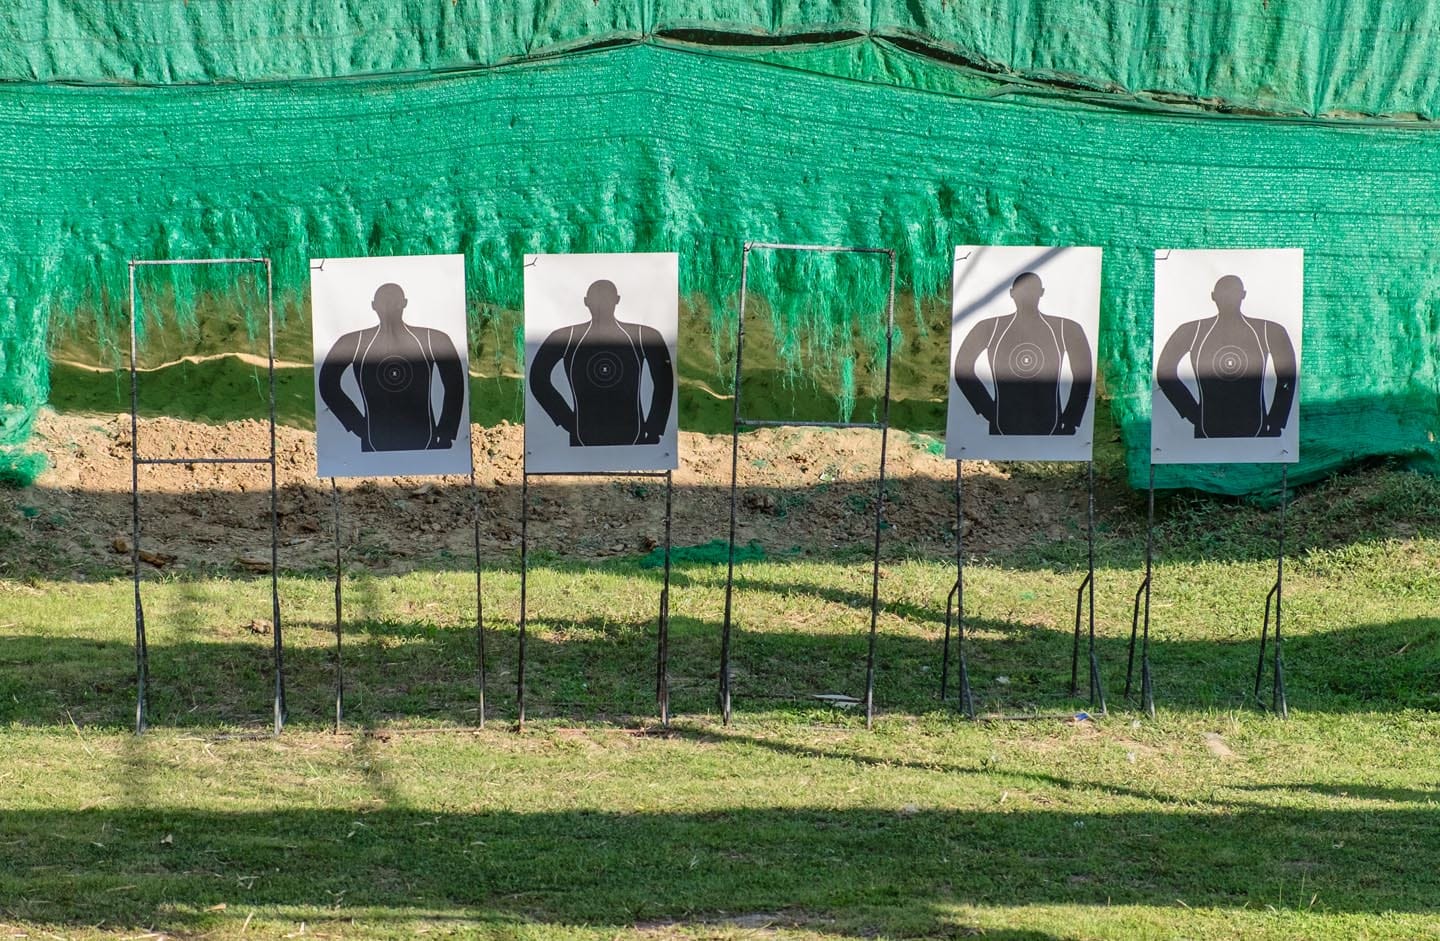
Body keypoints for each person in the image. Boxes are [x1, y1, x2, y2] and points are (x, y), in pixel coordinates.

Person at [317, 282, 466, 452]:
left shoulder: (434, 339)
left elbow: (455, 385)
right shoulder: (354, 342)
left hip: (401, 437)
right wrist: (356, 425)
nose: (389, 307)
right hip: (383, 439)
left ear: (404, 303)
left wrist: (448, 430)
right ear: (373, 306)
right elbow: (327, 384)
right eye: (384, 302)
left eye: (392, 302)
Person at [529, 279, 674, 447]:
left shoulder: (643, 335)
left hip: (592, 432)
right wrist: (566, 419)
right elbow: (538, 379)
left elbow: (664, 381)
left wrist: (567, 421)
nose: (601, 305)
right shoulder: (643, 334)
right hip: (612, 432)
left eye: (605, 299)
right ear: (617, 299)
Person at [953, 271, 1093, 436]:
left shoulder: (1065, 328)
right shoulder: (990, 327)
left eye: (1031, 290)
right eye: (1023, 290)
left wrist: (1072, 417)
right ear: (1012, 293)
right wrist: (987, 409)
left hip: (1047, 423)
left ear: (1041, 292)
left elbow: (1083, 373)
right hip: (1004, 424)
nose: (1027, 295)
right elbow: (962, 367)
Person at [1156, 274, 1296, 438]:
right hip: (1214, 428)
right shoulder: (1193, 331)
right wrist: (1191, 412)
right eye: (1225, 293)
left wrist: (1277, 420)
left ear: (1243, 295)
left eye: (1233, 292)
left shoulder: (1268, 330)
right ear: (1213, 296)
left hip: (1245, 427)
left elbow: (1288, 375)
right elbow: (1164, 372)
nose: (1229, 298)